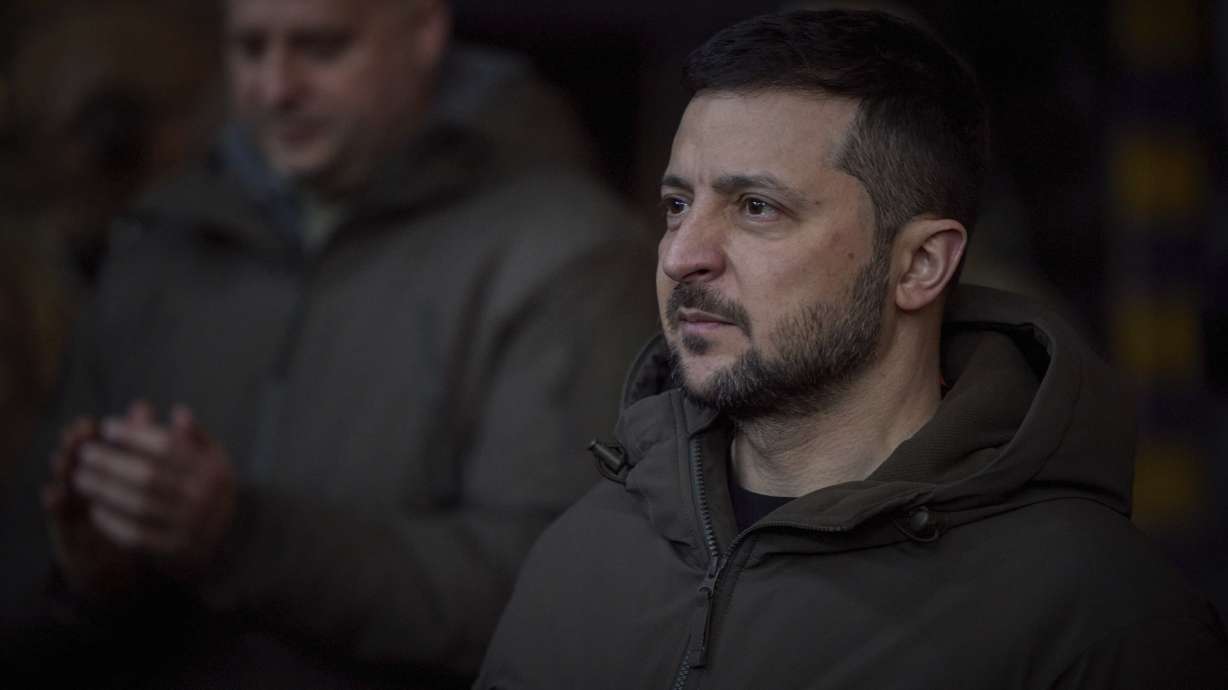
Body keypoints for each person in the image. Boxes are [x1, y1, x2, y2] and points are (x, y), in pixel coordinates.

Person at [476, 9, 1228, 689]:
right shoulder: (588, 549)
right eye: (679, 204)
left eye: (757, 207)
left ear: (919, 265)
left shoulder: (1098, 614)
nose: (682, 254)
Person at [2, 0, 653, 687]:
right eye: (250, 49)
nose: (277, 88)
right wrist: (84, 583)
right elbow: (22, 564)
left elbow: (560, 599)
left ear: (424, 33)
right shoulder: (162, 245)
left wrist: (240, 536)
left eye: (321, 47)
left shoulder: (568, 256)